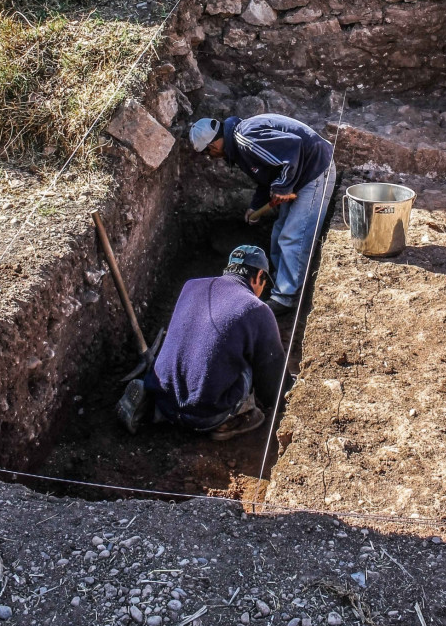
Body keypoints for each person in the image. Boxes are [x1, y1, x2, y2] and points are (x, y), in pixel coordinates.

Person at [116, 246, 289, 441]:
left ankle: (152, 402)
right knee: (250, 362)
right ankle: (227, 422)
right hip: (203, 415)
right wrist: (287, 397)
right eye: (263, 283)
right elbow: (272, 375)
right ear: (259, 276)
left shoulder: (190, 286)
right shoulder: (256, 308)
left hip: (164, 401)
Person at [189, 113, 336, 316]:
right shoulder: (239, 148)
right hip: (297, 175)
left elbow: (294, 148)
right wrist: (256, 205)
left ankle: (286, 297)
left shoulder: (246, 138)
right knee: (279, 233)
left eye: (208, 152)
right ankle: (278, 283)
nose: (211, 157)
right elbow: (266, 175)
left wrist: (283, 186)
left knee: (294, 235)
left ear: (213, 145)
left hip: (315, 171)